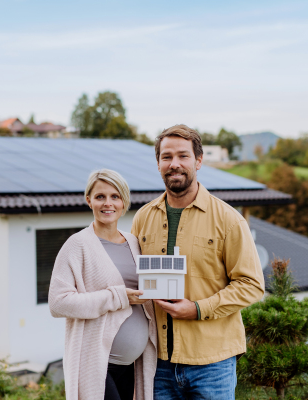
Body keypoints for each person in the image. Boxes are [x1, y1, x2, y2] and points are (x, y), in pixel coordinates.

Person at [131, 124, 265, 399]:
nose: (174, 164)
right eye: (166, 157)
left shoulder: (228, 220)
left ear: (199, 161)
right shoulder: (142, 218)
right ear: (158, 163)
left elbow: (251, 284)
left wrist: (198, 308)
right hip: (157, 363)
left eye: (183, 156)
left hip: (212, 364)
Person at [49, 169, 157, 400]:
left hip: (131, 364)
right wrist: (117, 297)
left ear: (124, 202)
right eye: (100, 197)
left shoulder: (134, 242)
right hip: (97, 362)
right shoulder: (77, 245)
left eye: (115, 197)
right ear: (89, 200)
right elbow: (58, 303)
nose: (108, 203)